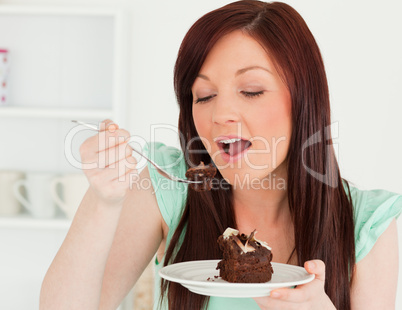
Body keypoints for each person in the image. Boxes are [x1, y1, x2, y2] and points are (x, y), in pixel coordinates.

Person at [40, 1, 402, 309]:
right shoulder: (166, 183)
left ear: (304, 99)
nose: (220, 115)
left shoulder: (368, 224)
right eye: (204, 96)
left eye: (251, 90)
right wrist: (103, 200)